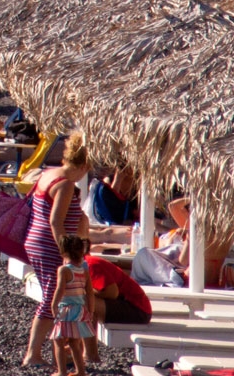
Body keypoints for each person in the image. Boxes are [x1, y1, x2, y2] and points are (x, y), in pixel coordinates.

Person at [21, 133, 90, 367]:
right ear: (84, 165)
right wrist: (66, 253)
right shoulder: (66, 183)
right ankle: (33, 354)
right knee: (53, 297)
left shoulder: (49, 173)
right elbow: (55, 221)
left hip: (36, 241)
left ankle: (59, 352)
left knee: (55, 296)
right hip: (50, 245)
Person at [84, 249, 150, 365]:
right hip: (131, 305)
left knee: (84, 301)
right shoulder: (87, 263)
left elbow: (112, 292)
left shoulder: (90, 265)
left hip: (137, 310)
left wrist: (87, 292)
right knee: (83, 300)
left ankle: (91, 355)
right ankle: (83, 351)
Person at [50, 234, 93, 376]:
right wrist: (90, 310)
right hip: (80, 310)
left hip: (67, 309)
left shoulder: (64, 270)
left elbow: (60, 289)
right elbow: (89, 293)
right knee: (75, 342)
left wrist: (54, 305)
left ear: (63, 251)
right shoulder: (83, 271)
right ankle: (81, 371)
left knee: (59, 340)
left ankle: (61, 372)